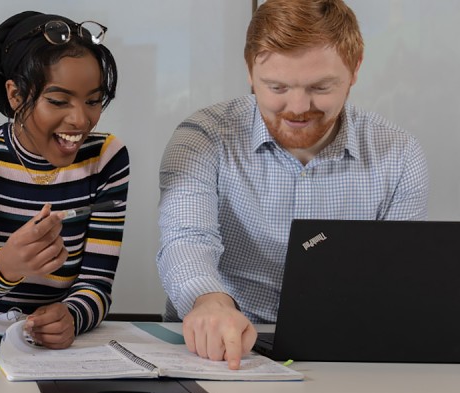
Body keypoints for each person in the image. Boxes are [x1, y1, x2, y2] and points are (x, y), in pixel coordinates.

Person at [157, 0, 428, 369]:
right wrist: (210, 301)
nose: (298, 107)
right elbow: (186, 238)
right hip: (218, 347)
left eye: (321, 86)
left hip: (345, 351)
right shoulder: (203, 136)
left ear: (355, 70)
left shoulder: (399, 154)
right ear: (250, 71)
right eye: (277, 87)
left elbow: (396, 279)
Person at [0, 11, 129, 350]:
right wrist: (8, 264)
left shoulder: (107, 158)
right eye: (57, 100)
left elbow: (96, 286)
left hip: (49, 348)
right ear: (16, 95)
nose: (81, 120)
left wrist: (71, 316)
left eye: (94, 101)